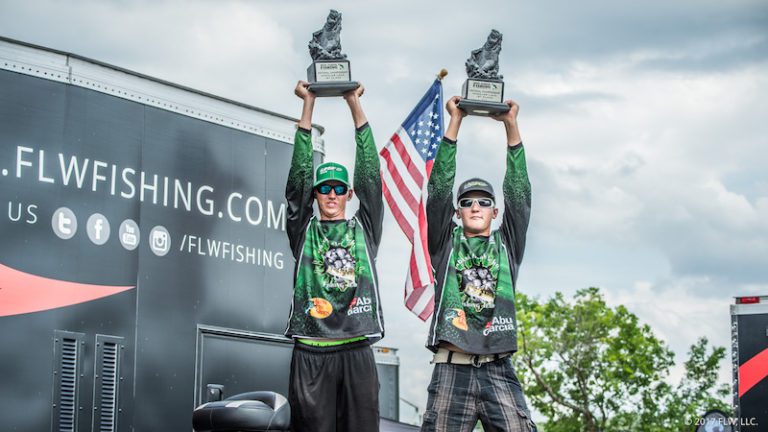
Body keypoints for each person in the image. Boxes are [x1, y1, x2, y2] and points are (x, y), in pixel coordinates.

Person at [421, 96, 536, 432]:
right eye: (466, 202)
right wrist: (455, 122)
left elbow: (520, 194)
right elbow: (438, 190)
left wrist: (511, 125)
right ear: (458, 212)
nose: (474, 207)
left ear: (494, 212)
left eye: (483, 202)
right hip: (451, 367)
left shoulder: (507, 243)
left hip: (498, 368)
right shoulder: (444, 242)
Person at [284, 80, 384, 432]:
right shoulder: (303, 231)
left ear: (348, 194)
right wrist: (308, 104)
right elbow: (296, 183)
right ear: (316, 195)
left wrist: (353, 104)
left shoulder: (365, 229)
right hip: (311, 351)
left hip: (356, 349)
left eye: (338, 188)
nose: (331, 194)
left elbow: (372, 175)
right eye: (324, 188)